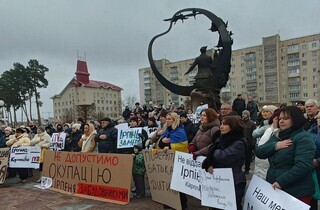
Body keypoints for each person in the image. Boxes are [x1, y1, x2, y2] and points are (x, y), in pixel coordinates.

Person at [256, 106, 316, 206]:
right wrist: (275, 145)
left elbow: (303, 165)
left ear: (295, 119)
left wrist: (281, 182)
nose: (281, 121)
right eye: (280, 118)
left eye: (286, 118)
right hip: (276, 190)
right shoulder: (278, 135)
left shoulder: (303, 138)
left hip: (296, 193)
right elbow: (259, 152)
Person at [202, 115, 247, 210]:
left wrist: (212, 150)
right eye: (221, 124)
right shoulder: (221, 140)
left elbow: (222, 156)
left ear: (233, 126)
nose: (221, 126)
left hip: (234, 182)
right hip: (221, 181)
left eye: (225, 124)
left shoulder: (239, 143)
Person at [158, 112, 188, 210]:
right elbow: (160, 143)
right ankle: (169, 203)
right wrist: (163, 142)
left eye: (170, 119)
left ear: (175, 120)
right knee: (168, 184)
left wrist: (169, 145)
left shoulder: (180, 131)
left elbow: (183, 145)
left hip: (179, 162)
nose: (167, 121)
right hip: (169, 162)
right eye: (167, 119)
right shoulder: (167, 130)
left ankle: (182, 206)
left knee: (179, 187)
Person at [254, 108, 281, 180]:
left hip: (269, 171)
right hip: (259, 169)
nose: (279, 121)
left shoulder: (282, 134)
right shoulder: (268, 130)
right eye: (276, 118)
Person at [241, 110, 257, 174]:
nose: (243, 115)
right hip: (241, 142)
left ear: (248, 115)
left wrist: (253, 143)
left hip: (248, 142)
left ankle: (247, 169)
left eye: (245, 114)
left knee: (248, 157)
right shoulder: (240, 122)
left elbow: (253, 134)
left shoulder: (252, 123)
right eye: (242, 113)